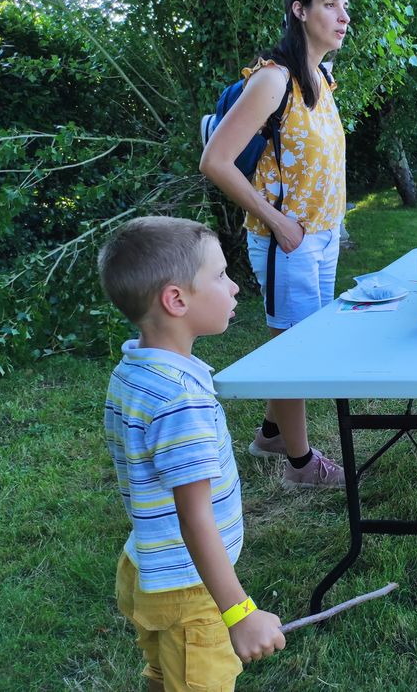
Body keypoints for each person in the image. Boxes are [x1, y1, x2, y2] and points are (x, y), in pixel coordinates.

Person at [99, 217, 285, 691]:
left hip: (145, 564)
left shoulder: (134, 370)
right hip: (188, 590)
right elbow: (195, 517)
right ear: (176, 300)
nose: (235, 286)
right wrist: (240, 612)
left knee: (167, 674)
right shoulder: (180, 398)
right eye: (221, 276)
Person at [200, 0, 351, 488]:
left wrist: (329, 225)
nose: (342, 15)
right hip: (287, 239)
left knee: (299, 339)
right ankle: (300, 464)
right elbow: (215, 160)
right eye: (329, 4)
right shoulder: (273, 79)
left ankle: (269, 434)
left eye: (344, 6)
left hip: (321, 236)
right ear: (299, 10)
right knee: (294, 347)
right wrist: (278, 223)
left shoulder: (323, 78)